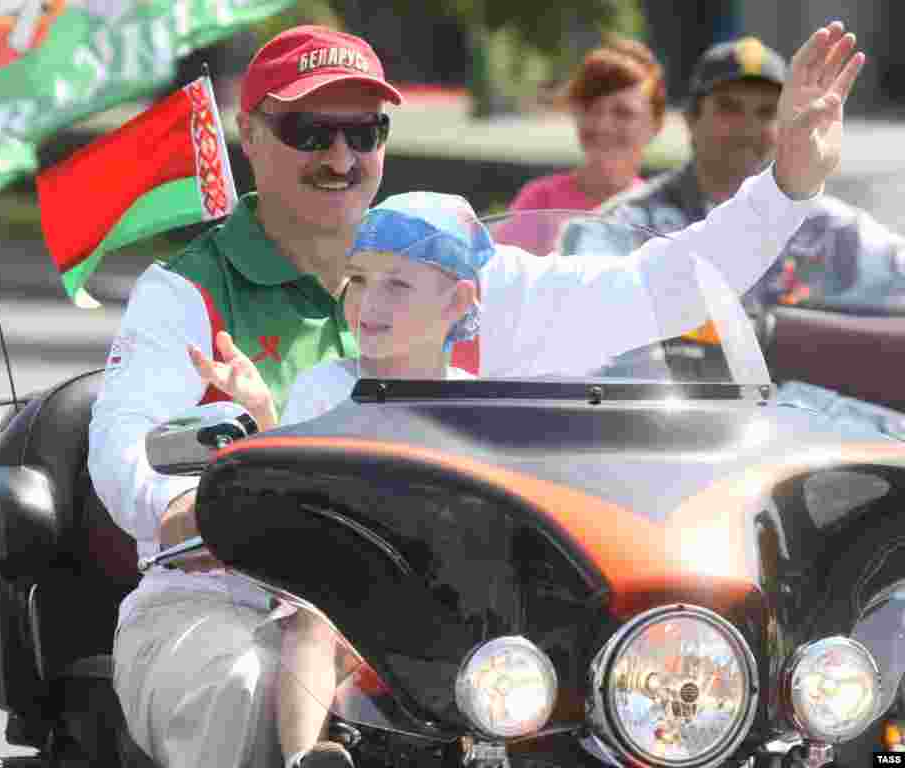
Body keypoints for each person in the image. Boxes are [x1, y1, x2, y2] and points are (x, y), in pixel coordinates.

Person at [88, 20, 864, 768]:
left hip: (454, 610)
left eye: (365, 132)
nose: (340, 154)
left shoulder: (466, 280)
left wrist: (787, 186)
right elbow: (130, 454)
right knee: (254, 688)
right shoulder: (186, 292)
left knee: (641, 693)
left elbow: (660, 288)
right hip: (235, 596)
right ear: (249, 133)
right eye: (309, 131)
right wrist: (209, 496)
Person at [595, 35, 904, 315]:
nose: (747, 128)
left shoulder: (826, 230)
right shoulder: (628, 221)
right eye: (729, 108)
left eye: (767, 112)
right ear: (691, 119)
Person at [189, 191, 490, 428]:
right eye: (358, 279)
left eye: (397, 284)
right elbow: (288, 487)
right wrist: (263, 413)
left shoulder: (477, 404)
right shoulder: (327, 390)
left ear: (455, 302)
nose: (369, 302)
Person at [509, 37, 666, 214]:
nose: (603, 125)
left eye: (623, 112)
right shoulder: (540, 202)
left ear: (656, 124)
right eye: (591, 108)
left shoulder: (662, 214)